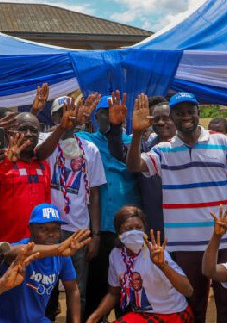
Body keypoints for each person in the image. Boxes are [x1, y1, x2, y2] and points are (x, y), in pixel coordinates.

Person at [127, 92, 227, 322]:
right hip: (184, 243)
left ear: (198, 113)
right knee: (192, 305)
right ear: (172, 117)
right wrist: (137, 134)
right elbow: (134, 166)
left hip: (225, 237)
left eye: (190, 112)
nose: (186, 117)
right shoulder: (163, 150)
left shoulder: (222, 142)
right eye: (179, 113)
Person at [39, 95, 106, 319]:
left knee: (77, 289)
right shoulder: (45, 141)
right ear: (55, 117)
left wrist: (94, 234)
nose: (68, 117)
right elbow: (39, 155)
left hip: (79, 229)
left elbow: (94, 193)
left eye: (72, 113)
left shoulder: (90, 149)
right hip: (47, 229)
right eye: (62, 113)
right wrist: (60, 129)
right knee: (43, 288)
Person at [77, 91, 141, 319]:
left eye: (113, 114)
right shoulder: (86, 140)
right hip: (101, 228)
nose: (108, 118)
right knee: (97, 288)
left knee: (131, 287)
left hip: (131, 229)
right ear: (95, 118)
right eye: (103, 114)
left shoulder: (134, 143)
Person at [87, 206, 194, 323]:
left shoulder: (155, 253)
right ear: (119, 233)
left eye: (139, 228)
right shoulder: (116, 255)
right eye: (128, 229)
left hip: (173, 314)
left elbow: (188, 290)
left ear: (145, 231)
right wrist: (94, 317)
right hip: (142, 315)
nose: (134, 232)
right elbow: (113, 294)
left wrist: (163, 266)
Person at [0, 204, 89, 323]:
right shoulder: (22, 249)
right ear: (30, 228)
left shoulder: (62, 256)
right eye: (44, 229)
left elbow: (73, 289)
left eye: (56, 229)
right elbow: (10, 252)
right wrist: (57, 249)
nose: (51, 234)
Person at [0, 112, 52, 243]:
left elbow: (47, 206)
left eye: (34, 130)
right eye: (23, 129)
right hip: (6, 244)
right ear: (11, 132)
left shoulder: (44, 165)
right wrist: (6, 163)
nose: (29, 134)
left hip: (37, 245)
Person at [138, 97, 176, 237]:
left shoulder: (192, 149)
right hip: (154, 228)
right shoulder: (142, 151)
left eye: (166, 118)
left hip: (185, 226)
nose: (160, 123)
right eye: (156, 119)